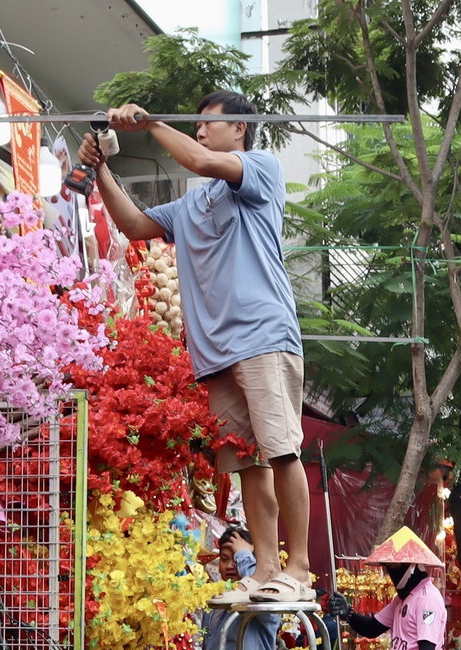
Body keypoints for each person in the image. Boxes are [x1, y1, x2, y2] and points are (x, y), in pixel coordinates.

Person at [82, 94, 311, 605]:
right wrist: (100, 169)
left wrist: (152, 120)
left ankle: (299, 567)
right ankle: (265, 569)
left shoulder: (261, 169)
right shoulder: (191, 205)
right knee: (248, 463)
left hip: (263, 335)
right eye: (199, 125)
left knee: (281, 450)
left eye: (210, 123)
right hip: (216, 355)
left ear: (240, 131)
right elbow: (134, 226)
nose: (202, 132)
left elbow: (198, 160)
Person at [198, 525, 282, 650]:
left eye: (236, 559)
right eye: (224, 558)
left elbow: (270, 609)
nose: (230, 566)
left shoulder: (261, 597)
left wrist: (244, 556)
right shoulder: (214, 603)